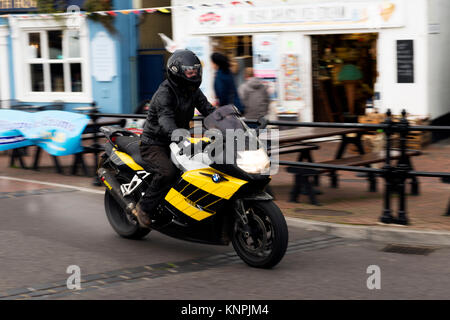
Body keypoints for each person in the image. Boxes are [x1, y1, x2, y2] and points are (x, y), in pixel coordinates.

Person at [134, 49, 216, 228]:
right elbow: (166, 120)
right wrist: (180, 137)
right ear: (176, 71)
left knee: (202, 167)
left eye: (195, 70)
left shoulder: (192, 90)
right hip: (155, 143)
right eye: (189, 71)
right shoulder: (165, 93)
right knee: (167, 172)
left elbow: (208, 110)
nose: (193, 74)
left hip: (178, 139)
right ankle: (143, 208)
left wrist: (230, 122)